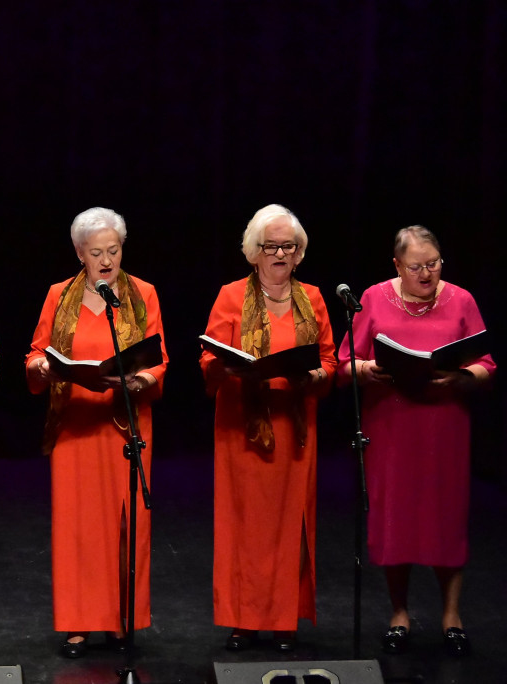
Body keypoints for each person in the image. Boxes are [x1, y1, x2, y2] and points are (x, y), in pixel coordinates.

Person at [337, 226, 494, 657]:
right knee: (397, 519)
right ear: (396, 265)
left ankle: (451, 616)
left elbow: (487, 363)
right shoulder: (371, 297)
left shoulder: (462, 299)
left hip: (444, 425)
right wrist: (368, 369)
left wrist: (462, 375)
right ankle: (399, 613)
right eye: (416, 267)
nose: (427, 274)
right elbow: (345, 362)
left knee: (445, 517)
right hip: (391, 424)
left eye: (434, 264)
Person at [25, 207, 168, 659]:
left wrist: (142, 379)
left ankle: (123, 620)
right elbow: (35, 352)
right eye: (96, 253)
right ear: (79, 253)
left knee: (127, 525)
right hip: (74, 426)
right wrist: (42, 367)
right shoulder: (57, 295)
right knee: (78, 528)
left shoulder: (142, 293)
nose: (106, 260)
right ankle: (79, 623)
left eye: (114, 250)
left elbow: (158, 356)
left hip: (124, 426)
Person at [199, 204, 335, 653]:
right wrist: (230, 366)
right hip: (243, 427)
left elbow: (330, 360)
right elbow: (209, 358)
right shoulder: (230, 296)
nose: (279, 253)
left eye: (288, 247)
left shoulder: (312, 298)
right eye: (270, 246)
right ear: (253, 252)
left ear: (299, 255)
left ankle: (282, 620)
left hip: (294, 429)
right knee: (244, 524)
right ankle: (243, 619)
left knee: (288, 522)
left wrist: (316, 376)